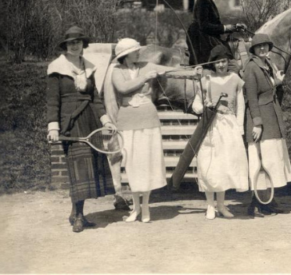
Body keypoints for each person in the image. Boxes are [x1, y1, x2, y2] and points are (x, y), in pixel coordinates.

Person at [104, 38, 201, 223]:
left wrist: (191, 72)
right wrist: (145, 78)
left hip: (148, 119)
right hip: (128, 121)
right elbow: (123, 88)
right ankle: (135, 209)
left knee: (146, 164)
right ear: (125, 55)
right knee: (132, 165)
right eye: (134, 51)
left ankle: (146, 207)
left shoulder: (146, 65)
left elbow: (170, 70)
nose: (138, 53)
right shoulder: (117, 70)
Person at [47, 26, 117, 233]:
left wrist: (105, 120)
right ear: (66, 46)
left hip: (90, 122)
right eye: (71, 43)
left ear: (83, 45)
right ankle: (78, 216)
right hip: (71, 123)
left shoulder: (89, 68)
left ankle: (76, 212)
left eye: (78, 42)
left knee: (88, 171)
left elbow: (95, 98)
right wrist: (53, 126)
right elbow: (52, 101)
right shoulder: (56, 69)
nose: (74, 45)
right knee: (77, 170)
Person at [191, 45, 249, 220]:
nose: (221, 65)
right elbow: (196, 104)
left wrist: (239, 128)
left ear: (228, 62)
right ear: (213, 64)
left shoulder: (234, 79)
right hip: (210, 126)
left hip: (228, 126)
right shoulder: (206, 80)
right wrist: (203, 108)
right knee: (210, 165)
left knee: (225, 165)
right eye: (217, 62)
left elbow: (241, 104)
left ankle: (222, 205)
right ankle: (210, 205)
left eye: (224, 61)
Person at [244, 34, 291, 216]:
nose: (262, 49)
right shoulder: (251, 67)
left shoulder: (267, 65)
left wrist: (277, 82)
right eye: (259, 47)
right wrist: (256, 123)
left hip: (272, 118)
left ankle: (268, 200)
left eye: (265, 46)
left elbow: (269, 88)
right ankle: (256, 204)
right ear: (254, 50)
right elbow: (251, 98)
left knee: (271, 160)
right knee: (260, 161)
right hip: (261, 120)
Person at [187, 0, 244, 66]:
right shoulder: (203, 1)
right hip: (202, 37)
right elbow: (204, 25)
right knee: (224, 56)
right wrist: (226, 28)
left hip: (208, 35)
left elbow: (214, 24)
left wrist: (234, 27)